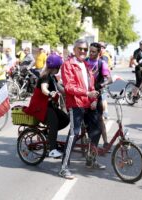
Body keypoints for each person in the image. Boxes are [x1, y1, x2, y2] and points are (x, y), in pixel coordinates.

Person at [59, 39, 105, 180]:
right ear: (74, 49)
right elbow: (69, 87)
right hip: (76, 103)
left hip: (88, 102)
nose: (83, 51)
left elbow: (91, 86)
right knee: (75, 132)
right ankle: (64, 167)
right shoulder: (68, 65)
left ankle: (91, 159)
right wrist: (86, 94)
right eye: (81, 49)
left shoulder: (86, 65)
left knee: (96, 129)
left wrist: (94, 98)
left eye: (85, 49)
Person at [23, 54, 69, 158]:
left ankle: (46, 133)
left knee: (65, 119)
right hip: (40, 108)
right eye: (59, 67)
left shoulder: (53, 78)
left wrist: (71, 92)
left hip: (48, 106)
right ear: (55, 67)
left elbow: (61, 90)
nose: (59, 69)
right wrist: (49, 93)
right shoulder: (45, 77)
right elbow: (44, 89)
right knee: (54, 122)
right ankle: (52, 149)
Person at [85, 42, 113, 149]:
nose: (91, 54)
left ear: (99, 52)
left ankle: (105, 142)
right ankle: (89, 143)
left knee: (99, 119)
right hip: (85, 95)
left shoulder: (102, 63)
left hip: (97, 95)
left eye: (93, 52)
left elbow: (109, 79)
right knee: (86, 120)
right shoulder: (85, 62)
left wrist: (102, 84)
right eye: (90, 51)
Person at [99, 42, 113, 119]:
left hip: (103, 79)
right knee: (103, 97)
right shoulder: (104, 55)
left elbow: (104, 68)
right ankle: (105, 112)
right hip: (105, 78)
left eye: (100, 47)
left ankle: (105, 113)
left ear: (103, 48)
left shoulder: (104, 56)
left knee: (103, 97)